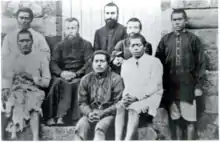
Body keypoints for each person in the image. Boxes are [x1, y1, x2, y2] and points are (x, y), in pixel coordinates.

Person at [155, 9, 206, 140]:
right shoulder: (165, 40)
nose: (177, 22)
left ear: (185, 21)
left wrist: (198, 86)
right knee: (176, 120)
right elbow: (157, 63)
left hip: (188, 85)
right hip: (171, 86)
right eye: (174, 20)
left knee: (190, 120)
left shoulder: (193, 39)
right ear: (171, 21)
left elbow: (201, 63)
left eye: (179, 19)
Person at [2, 29, 51, 140]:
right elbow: (5, 79)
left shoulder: (41, 58)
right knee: (12, 101)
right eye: (21, 41)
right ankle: (11, 134)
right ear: (17, 42)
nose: (25, 44)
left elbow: (46, 82)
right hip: (16, 90)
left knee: (34, 105)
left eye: (27, 41)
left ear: (32, 41)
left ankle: (35, 138)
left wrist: (32, 78)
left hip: (34, 90)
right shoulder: (11, 59)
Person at [114, 33, 163, 140]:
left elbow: (155, 85)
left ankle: (128, 139)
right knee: (120, 106)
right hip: (132, 97)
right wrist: (126, 97)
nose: (135, 48)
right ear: (128, 48)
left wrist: (137, 97)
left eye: (138, 45)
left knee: (134, 108)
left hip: (150, 97)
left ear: (144, 47)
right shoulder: (126, 64)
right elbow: (127, 84)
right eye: (132, 46)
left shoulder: (154, 62)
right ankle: (117, 139)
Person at [46, 18, 93, 125]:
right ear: (64, 30)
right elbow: (53, 62)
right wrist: (61, 73)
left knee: (77, 83)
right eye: (68, 28)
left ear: (78, 29)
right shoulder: (59, 46)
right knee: (57, 83)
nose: (70, 31)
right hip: (62, 75)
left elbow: (89, 63)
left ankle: (69, 117)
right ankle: (53, 116)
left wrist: (76, 74)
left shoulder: (86, 45)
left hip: (79, 74)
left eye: (73, 28)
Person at [74, 50, 124, 140]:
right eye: (96, 61)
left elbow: (119, 103)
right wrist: (89, 113)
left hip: (109, 115)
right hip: (91, 114)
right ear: (92, 63)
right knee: (80, 126)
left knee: (100, 128)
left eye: (102, 61)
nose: (99, 64)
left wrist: (103, 113)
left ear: (108, 63)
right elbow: (82, 102)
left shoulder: (116, 79)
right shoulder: (86, 79)